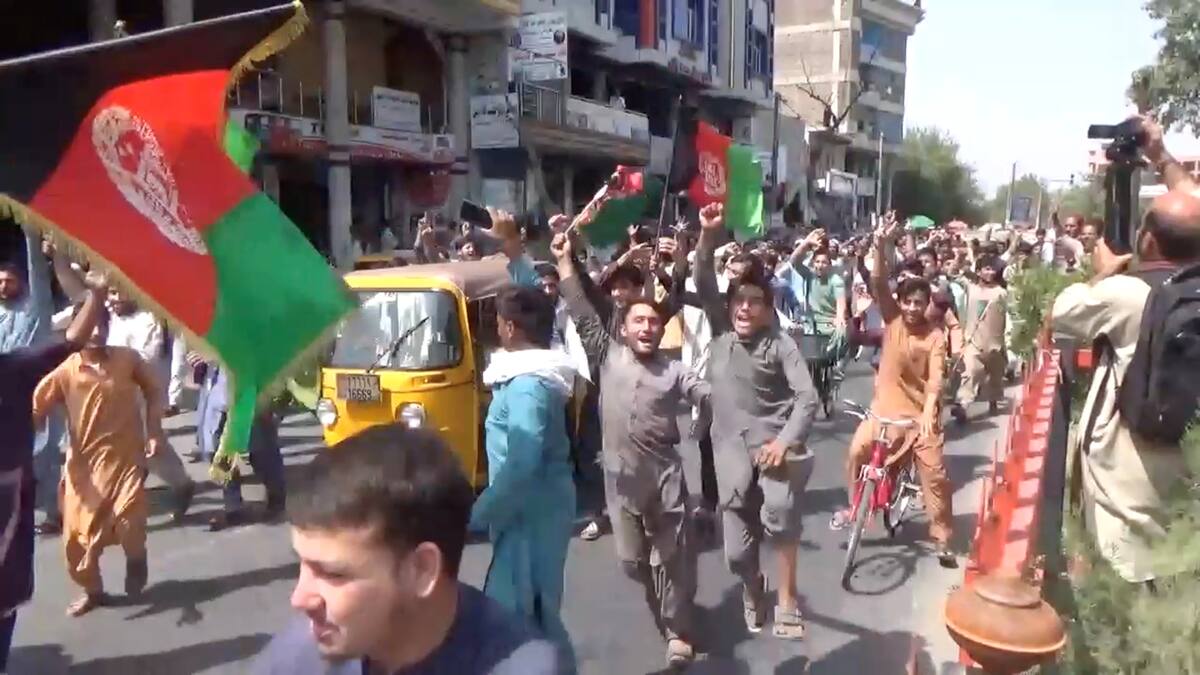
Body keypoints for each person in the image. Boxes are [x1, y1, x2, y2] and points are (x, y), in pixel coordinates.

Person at [255, 425, 558, 674]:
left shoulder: (524, 667)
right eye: (304, 565)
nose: (299, 599)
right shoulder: (296, 657)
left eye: (332, 573)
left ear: (421, 570)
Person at [552, 230, 709, 666]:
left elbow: (705, 394)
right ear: (622, 328)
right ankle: (666, 601)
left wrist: (709, 415)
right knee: (632, 564)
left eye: (654, 322)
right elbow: (583, 310)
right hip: (620, 482)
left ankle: (679, 630)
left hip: (667, 481)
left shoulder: (674, 370)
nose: (647, 327)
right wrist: (565, 261)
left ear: (662, 330)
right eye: (638, 321)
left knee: (672, 561)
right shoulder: (607, 355)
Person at [1050, 187, 1200, 584]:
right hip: (1185, 476)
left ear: (1148, 239)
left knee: (1123, 591)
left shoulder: (1130, 293)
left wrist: (1108, 269)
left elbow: (1061, 318)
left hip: (1126, 485)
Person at [693, 203, 819, 640]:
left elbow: (807, 397)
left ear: (768, 308)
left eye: (755, 302)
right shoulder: (720, 334)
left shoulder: (780, 345)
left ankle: (787, 599)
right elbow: (702, 279)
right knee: (735, 556)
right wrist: (708, 235)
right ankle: (754, 588)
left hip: (774, 451)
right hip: (730, 455)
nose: (745, 309)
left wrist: (784, 442)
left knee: (781, 513)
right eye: (739, 302)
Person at [31, 296, 173, 617]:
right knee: (77, 543)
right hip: (83, 470)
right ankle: (92, 591)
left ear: (109, 327)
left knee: (129, 522)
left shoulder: (128, 360)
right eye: (87, 325)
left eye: (100, 324)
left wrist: (154, 430)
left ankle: (136, 559)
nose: (95, 331)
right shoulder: (66, 370)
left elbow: (154, 390)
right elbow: (34, 408)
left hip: (126, 460)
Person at [831, 211, 955, 567]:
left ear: (927, 304)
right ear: (901, 303)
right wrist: (881, 243)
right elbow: (878, 281)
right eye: (909, 301)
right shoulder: (893, 321)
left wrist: (931, 412)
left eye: (920, 302)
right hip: (884, 412)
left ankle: (942, 538)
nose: (914, 308)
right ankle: (856, 508)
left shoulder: (934, 337)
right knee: (856, 452)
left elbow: (935, 379)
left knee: (935, 476)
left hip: (919, 419)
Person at [0, 271, 105, 670]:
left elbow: (72, 341)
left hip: (8, 513)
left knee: (5, 600)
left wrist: (95, 294)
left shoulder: (13, 368)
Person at [103, 288, 195, 521]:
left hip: (143, 395)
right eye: (110, 294)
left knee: (150, 446)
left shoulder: (153, 320)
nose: (112, 300)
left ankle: (181, 484)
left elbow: (154, 359)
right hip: (117, 395)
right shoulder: (113, 315)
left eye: (117, 292)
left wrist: (173, 396)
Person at [1, 234, 66, 535]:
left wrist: (29, 225)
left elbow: (36, 269)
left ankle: (56, 513)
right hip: (9, 395)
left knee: (45, 455)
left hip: (42, 389)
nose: (3, 286)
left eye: (9, 281)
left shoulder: (35, 305)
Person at [199, 365, 287, 531]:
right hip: (220, 397)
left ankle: (277, 497)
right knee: (219, 452)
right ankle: (233, 507)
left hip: (252, 394)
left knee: (261, 452)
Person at [950, 255, 1008, 423]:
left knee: (996, 375)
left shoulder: (1001, 293)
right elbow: (952, 272)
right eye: (986, 269)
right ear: (979, 271)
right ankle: (963, 405)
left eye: (992, 269)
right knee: (971, 372)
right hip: (973, 341)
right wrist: (958, 258)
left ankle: (994, 401)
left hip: (995, 342)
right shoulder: (971, 288)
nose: (990, 272)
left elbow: (1008, 316)